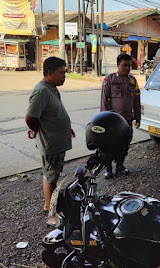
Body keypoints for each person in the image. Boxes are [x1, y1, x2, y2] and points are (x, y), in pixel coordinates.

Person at [25, 56, 75, 227]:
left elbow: (53, 113)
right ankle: (51, 214)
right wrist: (39, 129)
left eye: (65, 72)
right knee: (51, 176)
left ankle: (49, 204)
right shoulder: (41, 91)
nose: (65, 76)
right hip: (51, 143)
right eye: (61, 73)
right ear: (50, 73)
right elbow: (31, 117)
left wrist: (66, 127)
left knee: (51, 174)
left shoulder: (51, 88)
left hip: (56, 141)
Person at [101, 53, 141, 178]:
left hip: (127, 120)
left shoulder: (133, 81)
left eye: (129, 66)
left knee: (124, 145)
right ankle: (108, 169)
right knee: (109, 145)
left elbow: (136, 100)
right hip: (112, 120)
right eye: (124, 65)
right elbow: (104, 100)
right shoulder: (109, 80)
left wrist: (138, 117)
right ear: (118, 65)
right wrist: (104, 119)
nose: (127, 68)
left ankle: (120, 166)